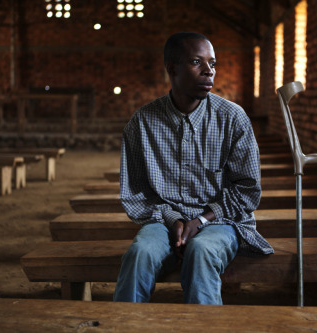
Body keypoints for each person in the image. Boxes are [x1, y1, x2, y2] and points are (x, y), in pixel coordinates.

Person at [113, 32, 273, 305]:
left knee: (201, 250)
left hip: (221, 221)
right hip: (164, 221)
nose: (209, 71)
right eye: (197, 62)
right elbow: (136, 192)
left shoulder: (232, 118)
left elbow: (247, 190)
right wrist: (173, 220)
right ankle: (123, 324)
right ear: (172, 69)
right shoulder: (142, 123)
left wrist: (200, 221)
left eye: (213, 63)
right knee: (141, 252)